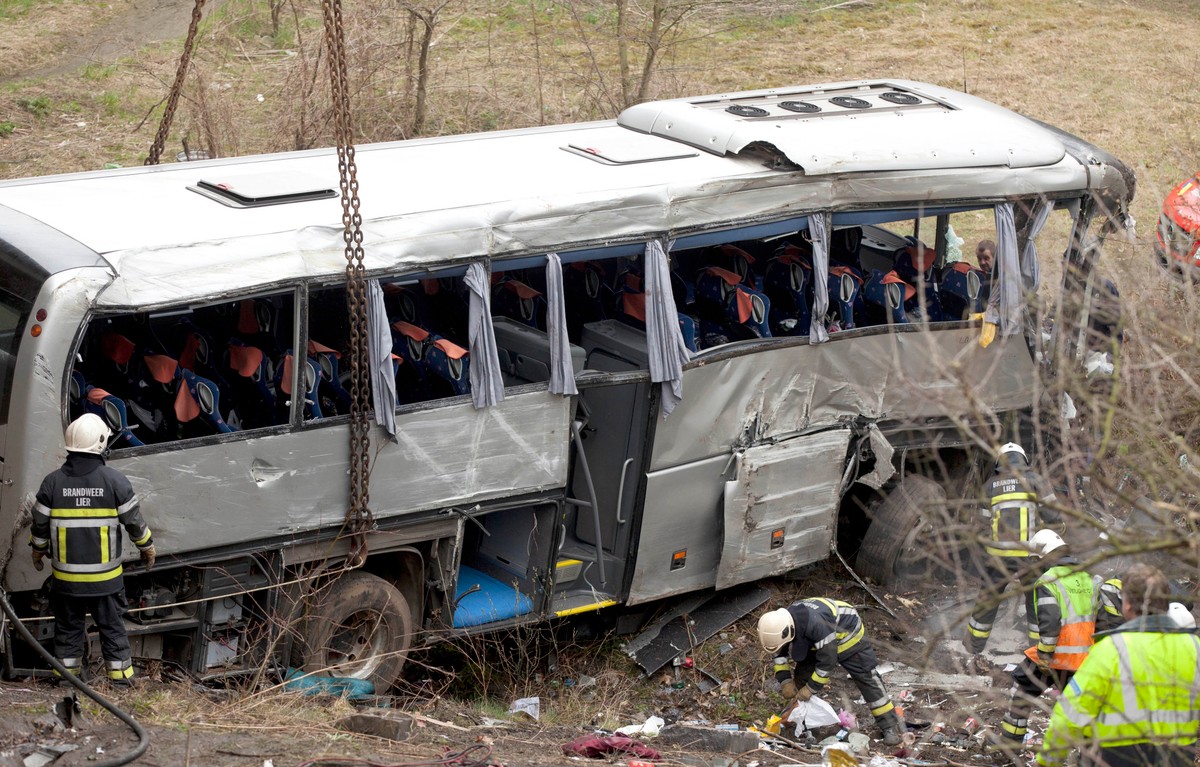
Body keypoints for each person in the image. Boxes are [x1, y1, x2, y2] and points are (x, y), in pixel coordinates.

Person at [30, 414, 155, 685]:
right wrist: (148, 548)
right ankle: (121, 682)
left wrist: (38, 551)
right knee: (112, 629)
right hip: (106, 583)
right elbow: (135, 523)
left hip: (66, 583)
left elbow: (38, 527)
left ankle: (67, 681)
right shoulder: (115, 481)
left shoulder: (51, 483)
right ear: (100, 443)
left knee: (67, 630)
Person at [1038, 564, 1200, 767]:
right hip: (1178, 757)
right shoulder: (1194, 647)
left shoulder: (1111, 649)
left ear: (1128, 606)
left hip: (1116, 757)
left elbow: (1070, 714)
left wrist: (1047, 761)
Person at [991, 530, 1095, 750]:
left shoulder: (1048, 580)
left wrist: (1045, 657)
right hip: (1087, 658)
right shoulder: (1090, 578)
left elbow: (1049, 625)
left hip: (1059, 655)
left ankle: (1010, 744)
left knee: (1022, 687)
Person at [758, 597, 906, 745]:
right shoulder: (780, 624)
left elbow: (827, 663)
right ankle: (809, 725)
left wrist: (810, 689)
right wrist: (785, 681)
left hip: (848, 634)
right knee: (802, 677)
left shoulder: (817, 625)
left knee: (867, 679)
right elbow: (779, 654)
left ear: (788, 630)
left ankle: (889, 726)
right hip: (816, 640)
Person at [964, 442, 1061, 656]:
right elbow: (1053, 516)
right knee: (1035, 600)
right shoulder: (1036, 481)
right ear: (1023, 459)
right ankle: (1036, 648)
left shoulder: (989, 485)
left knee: (988, 600)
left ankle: (974, 646)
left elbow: (980, 525)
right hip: (1030, 556)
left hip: (998, 557)